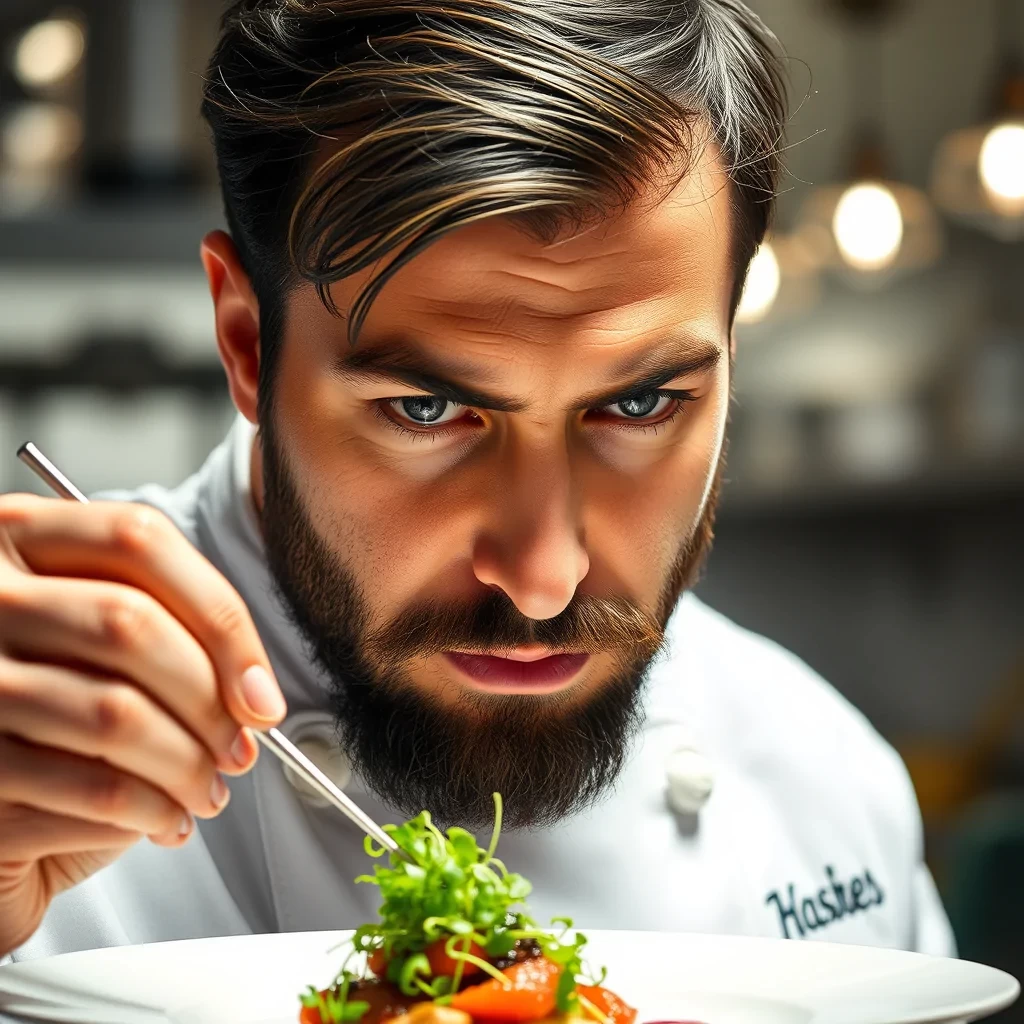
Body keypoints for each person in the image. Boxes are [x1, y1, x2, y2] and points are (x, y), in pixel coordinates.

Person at [0, 0, 954, 966]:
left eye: (640, 406)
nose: (543, 580)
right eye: (427, 412)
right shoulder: (34, 746)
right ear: (247, 345)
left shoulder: (827, 784)